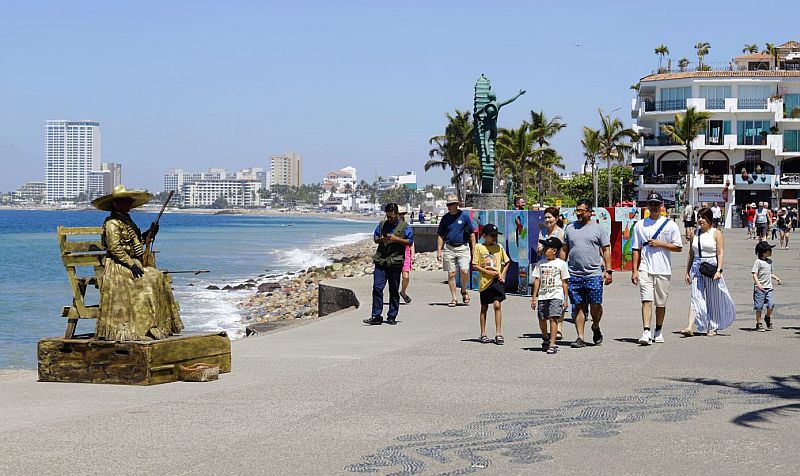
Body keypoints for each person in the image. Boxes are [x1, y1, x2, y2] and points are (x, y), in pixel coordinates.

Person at [91, 185, 183, 341]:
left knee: (158, 276)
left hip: (133, 263)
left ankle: (156, 325)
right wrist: (130, 264)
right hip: (118, 266)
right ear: (116, 204)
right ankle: (142, 327)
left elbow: (137, 242)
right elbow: (114, 247)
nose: (128, 205)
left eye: (129, 202)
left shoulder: (127, 220)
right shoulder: (111, 223)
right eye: (124, 202)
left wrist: (150, 232)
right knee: (149, 280)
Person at [630, 193, 683, 345]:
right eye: (651, 204)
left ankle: (658, 330)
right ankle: (646, 331)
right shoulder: (640, 225)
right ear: (647, 206)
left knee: (660, 303)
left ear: (661, 206)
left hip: (663, 269)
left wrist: (661, 244)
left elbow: (678, 247)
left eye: (656, 204)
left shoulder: (670, 225)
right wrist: (634, 270)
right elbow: (636, 248)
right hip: (645, 267)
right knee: (646, 300)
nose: (654, 207)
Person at [563, 199, 612, 348]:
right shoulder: (570, 228)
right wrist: (559, 268)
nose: (579, 214)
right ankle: (580, 337)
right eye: (577, 210)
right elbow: (564, 249)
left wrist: (608, 271)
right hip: (574, 273)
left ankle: (595, 326)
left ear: (590, 212)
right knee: (578, 305)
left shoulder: (598, 229)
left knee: (595, 305)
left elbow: (606, 250)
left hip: (594, 274)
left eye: (582, 211)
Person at [683, 207, 736, 336]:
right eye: (699, 217)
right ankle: (690, 326)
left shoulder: (716, 233)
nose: (700, 220)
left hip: (711, 266)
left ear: (709, 219)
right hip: (697, 266)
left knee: (713, 298)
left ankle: (713, 326)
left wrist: (719, 270)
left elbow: (720, 253)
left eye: (703, 217)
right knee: (696, 295)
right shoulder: (694, 233)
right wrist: (687, 271)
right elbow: (691, 253)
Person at [364, 203, 413, 325]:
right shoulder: (382, 224)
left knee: (393, 290)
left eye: (392, 217)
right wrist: (382, 239)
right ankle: (376, 316)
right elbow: (375, 238)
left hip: (395, 263)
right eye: (388, 216)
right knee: (377, 288)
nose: (390, 219)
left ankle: (392, 316)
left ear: (397, 214)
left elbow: (409, 241)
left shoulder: (404, 226)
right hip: (381, 261)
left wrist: (396, 239)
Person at [531, 237, 570, 354]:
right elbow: (537, 280)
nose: (544, 250)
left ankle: (552, 343)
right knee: (542, 319)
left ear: (554, 250)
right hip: (543, 296)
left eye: (547, 248)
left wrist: (565, 299)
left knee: (554, 318)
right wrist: (534, 297)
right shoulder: (540, 264)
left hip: (556, 295)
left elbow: (565, 282)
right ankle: (545, 336)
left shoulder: (561, 264)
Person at [472, 224, 509, 345]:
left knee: (497, 305)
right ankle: (483, 333)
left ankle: (498, 333)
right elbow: (474, 265)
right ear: (484, 236)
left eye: (496, 236)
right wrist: (487, 272)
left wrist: (503, 275)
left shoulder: (499, 247)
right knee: (484, 307)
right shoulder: (479, 247)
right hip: (485, 282)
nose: (494, 238)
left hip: (496, 281)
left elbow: (507, 261)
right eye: (492, 236)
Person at [436, 194, 476, 307]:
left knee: (465, 271)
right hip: (449, 247)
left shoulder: (464, 216)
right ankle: (454, 298)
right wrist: (439, 251)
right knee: (451, 274)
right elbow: (440, 235)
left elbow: (472, 234)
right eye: (448, 204)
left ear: (456, 205)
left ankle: (463, 289)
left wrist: (474, 249)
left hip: (463, 247)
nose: (448, 207)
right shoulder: (445, 218)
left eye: (451, 204)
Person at [534, 207, 567, 338]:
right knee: (546, 295)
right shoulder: (542, 232)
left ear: (556, 218)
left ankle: (558, 327)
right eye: (546, 217)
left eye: (550, 217)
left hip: (557, 266)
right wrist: (542, 246)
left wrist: (561, 266)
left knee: (558, 295)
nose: (547, 220)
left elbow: (564, 250)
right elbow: (538, 250)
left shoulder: (561, 233)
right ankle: (548, 326)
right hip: (544, 266)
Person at [752, 241, 782, 332]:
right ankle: (758, 323)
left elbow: (770, 273)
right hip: (759, 288)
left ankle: (767, 317)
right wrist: (758, 284)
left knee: (771, 304)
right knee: (759, 307)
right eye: (769, 250)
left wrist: (776, 278)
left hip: (769, 288)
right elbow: (754, 274)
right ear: (763, 252)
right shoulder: (758, 262)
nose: (771, 251)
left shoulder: (770, 261)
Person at [397, 206, 416, 304]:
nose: (400, 216)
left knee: (406, 276)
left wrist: (413, 253)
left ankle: (403, 292)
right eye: (399, 214)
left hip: (406, 252)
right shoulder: (391, 225)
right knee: (394, 276)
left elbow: (411, 240)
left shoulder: (406, 226)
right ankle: (394, 295)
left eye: (402, 214)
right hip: (394, 253)